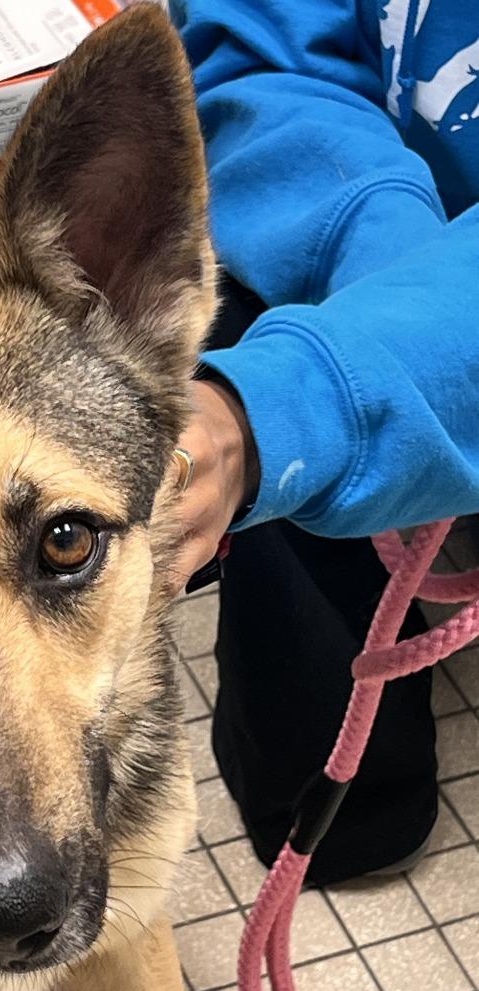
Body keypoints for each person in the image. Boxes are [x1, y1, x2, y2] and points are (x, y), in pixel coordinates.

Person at [168, 0, 479, 883]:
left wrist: (275, 416)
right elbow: (260, 52)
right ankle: (339, 810)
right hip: (395, 216)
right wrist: (385, 274)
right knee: (239, 305)